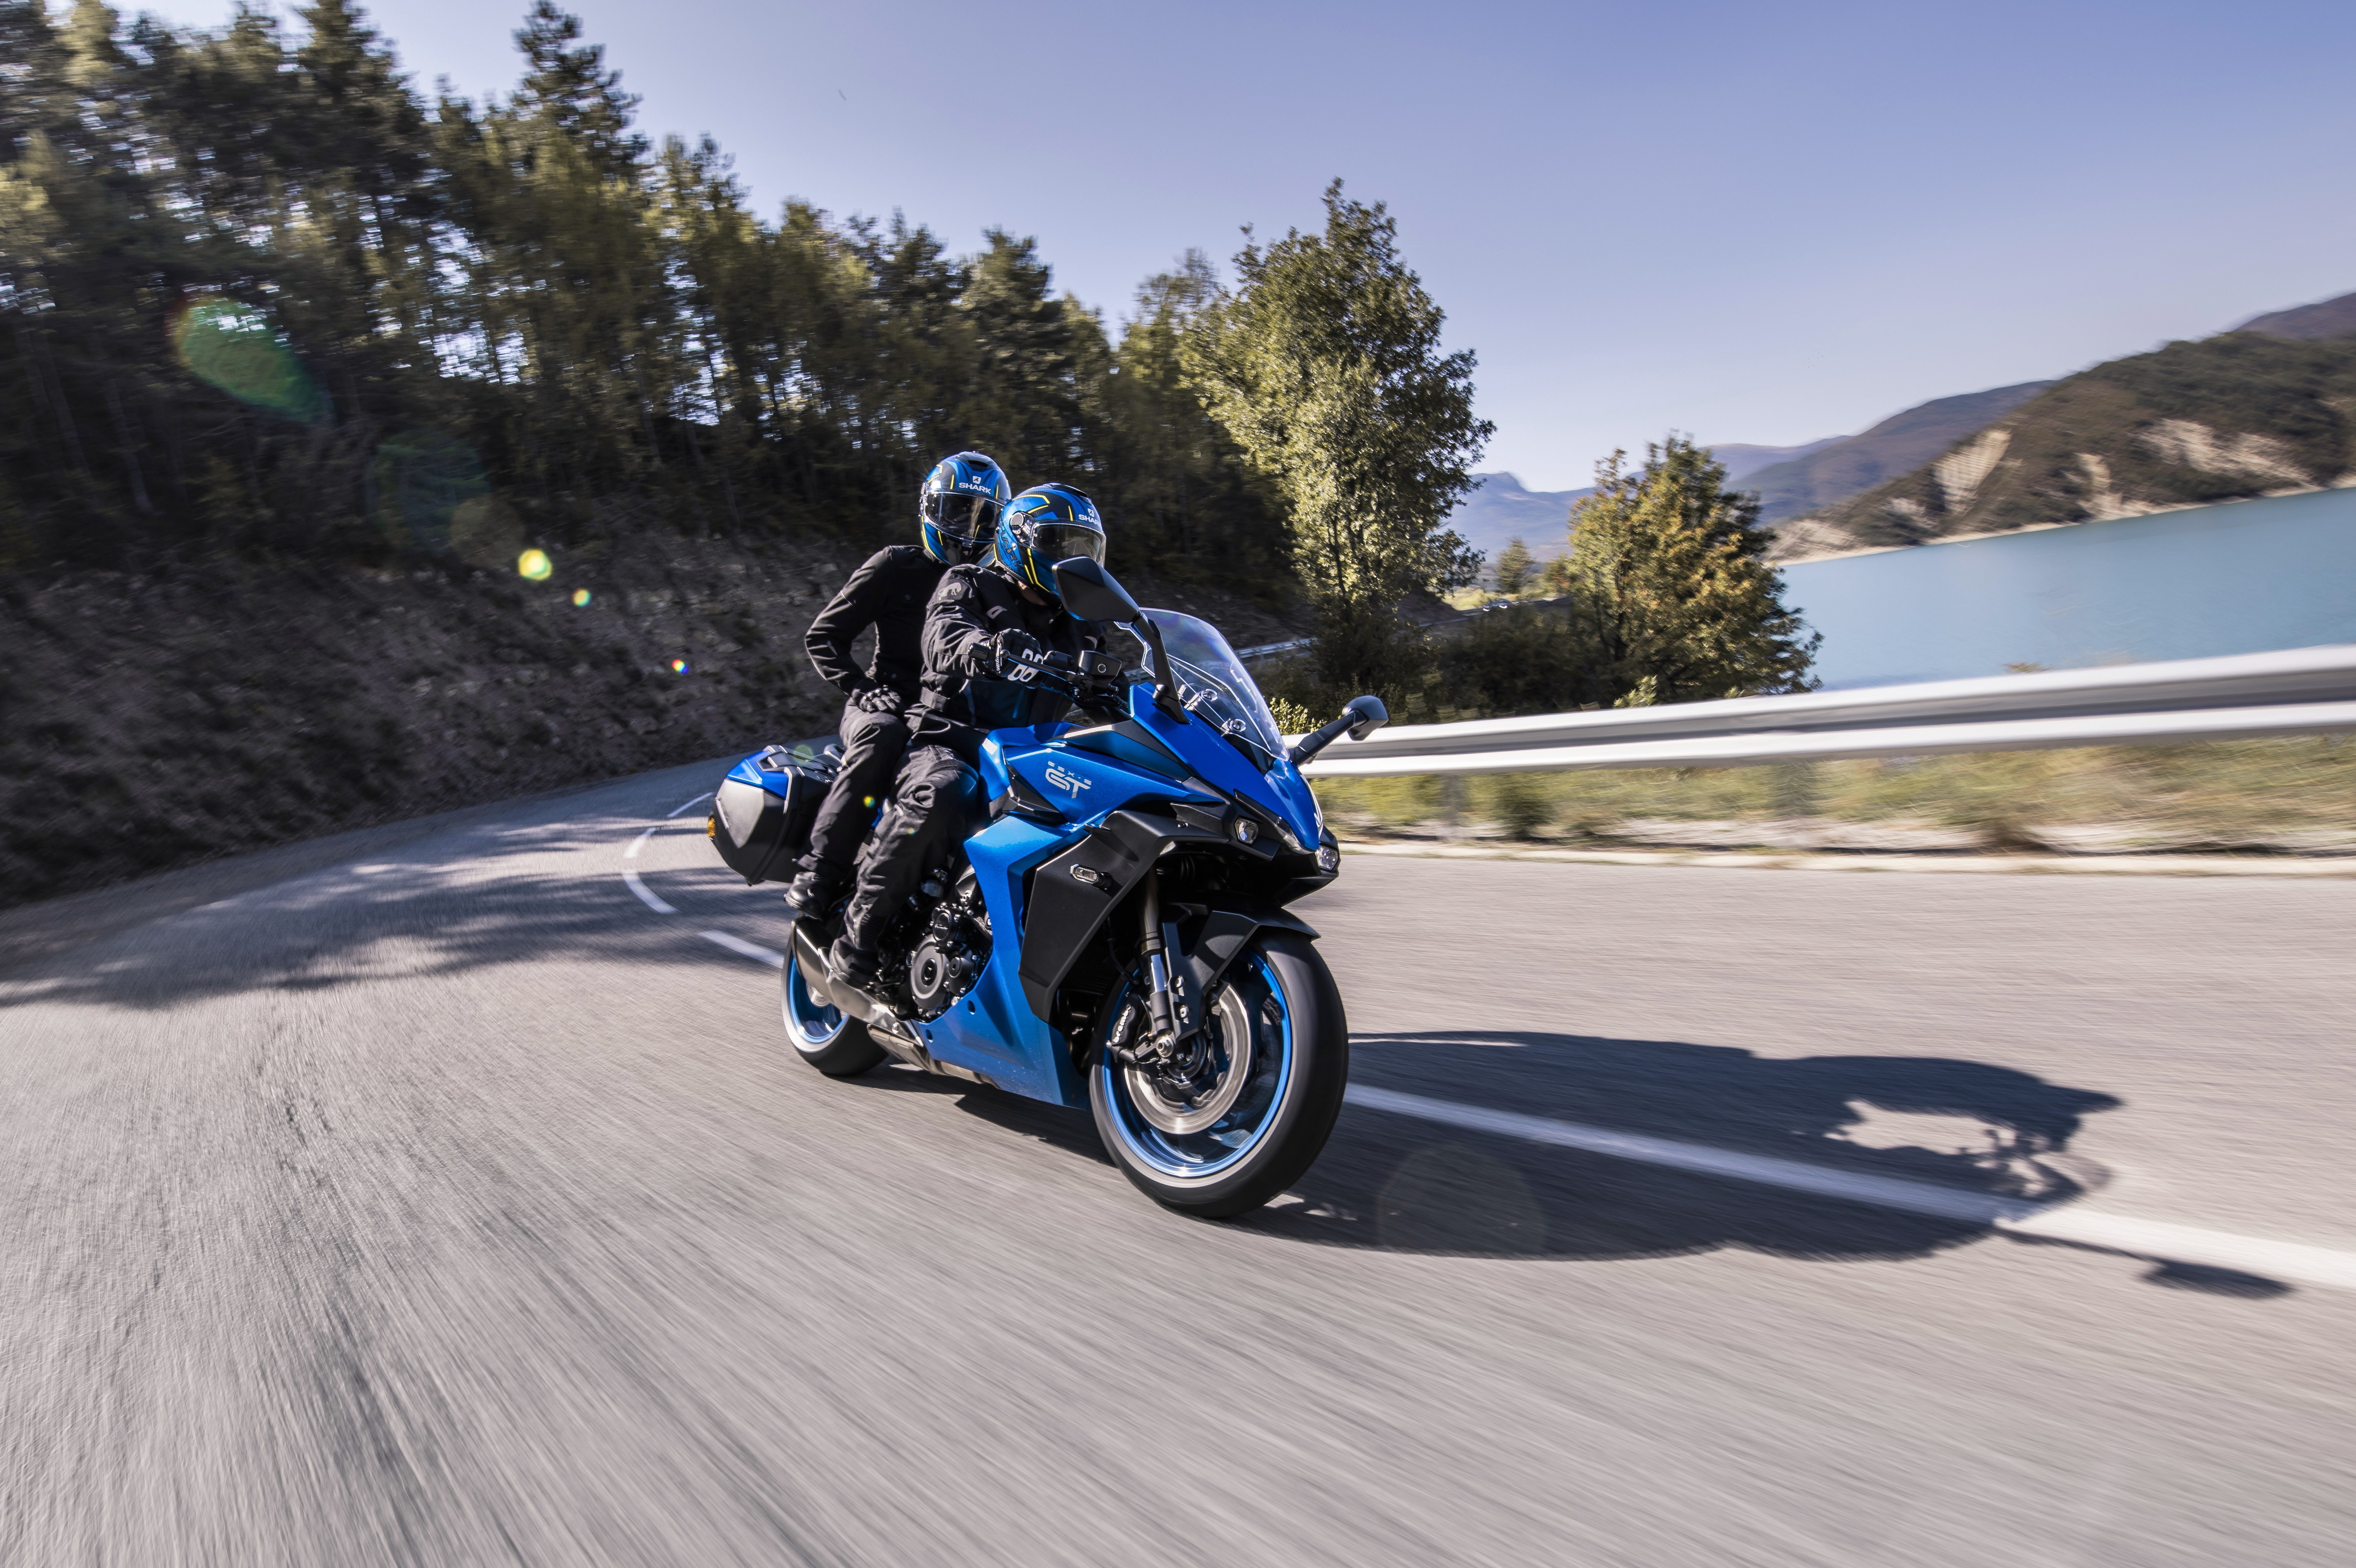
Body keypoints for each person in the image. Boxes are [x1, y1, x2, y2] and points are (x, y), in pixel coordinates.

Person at [829, 481, 1111, 989]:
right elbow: (944, 637)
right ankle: (857, 940)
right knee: (944, 793)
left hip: (1027, 758)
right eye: (1059, 544)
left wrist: (1150, 697)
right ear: (1021, 542)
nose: (1071, 559)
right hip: (948, 740)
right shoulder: (971, 583)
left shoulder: (1081, 625)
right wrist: (989, 649)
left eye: (1083, 548)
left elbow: (1111, 683)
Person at [781, 452, 1012, 920]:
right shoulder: (894, 566)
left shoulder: (993, 586)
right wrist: (862, 688)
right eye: (956, 512)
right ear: (929, 509)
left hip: (945, 716)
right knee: (883, 734)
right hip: (885, 701)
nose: (968, 530)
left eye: (983, 518)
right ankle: (819, 871)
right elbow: (823, 637)